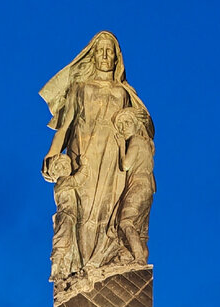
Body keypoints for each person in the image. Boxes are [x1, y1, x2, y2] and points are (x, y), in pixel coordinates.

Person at [40, 31, 152, 270]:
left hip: (113, 157)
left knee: (108, 212)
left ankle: (103, 261)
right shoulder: (79, 88)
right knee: (82, 209)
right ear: (92, 55)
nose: (104, 55)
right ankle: (82, 266)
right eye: (100, 50)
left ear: (115, 58)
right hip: (83, 153)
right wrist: (52, 154)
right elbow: (65, 125)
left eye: (109, 51)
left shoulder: (123, 93)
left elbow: (135, 127)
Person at [112, 107, 154, 264]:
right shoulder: (147, 144)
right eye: (121, 125)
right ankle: (141, 260)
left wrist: (121, 145)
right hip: (148, 188)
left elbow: (126, 164)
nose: (124, 128)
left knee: (126, 222)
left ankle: (139, 259)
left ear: (137, 124)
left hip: (138, 184)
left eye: (128, 122)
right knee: (141, 232)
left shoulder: (136, 141)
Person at [48, 154, 81, 282]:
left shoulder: (62, 182)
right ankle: (55, 271)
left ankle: (64, 269)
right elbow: (78, 180)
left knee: (68, 242)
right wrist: (84, 165)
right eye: (60, 166)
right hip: (66, 216)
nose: (64, 168)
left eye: (66, 165)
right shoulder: (62, 181)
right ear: (55, 172)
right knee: (62, 241)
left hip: (69, 216)